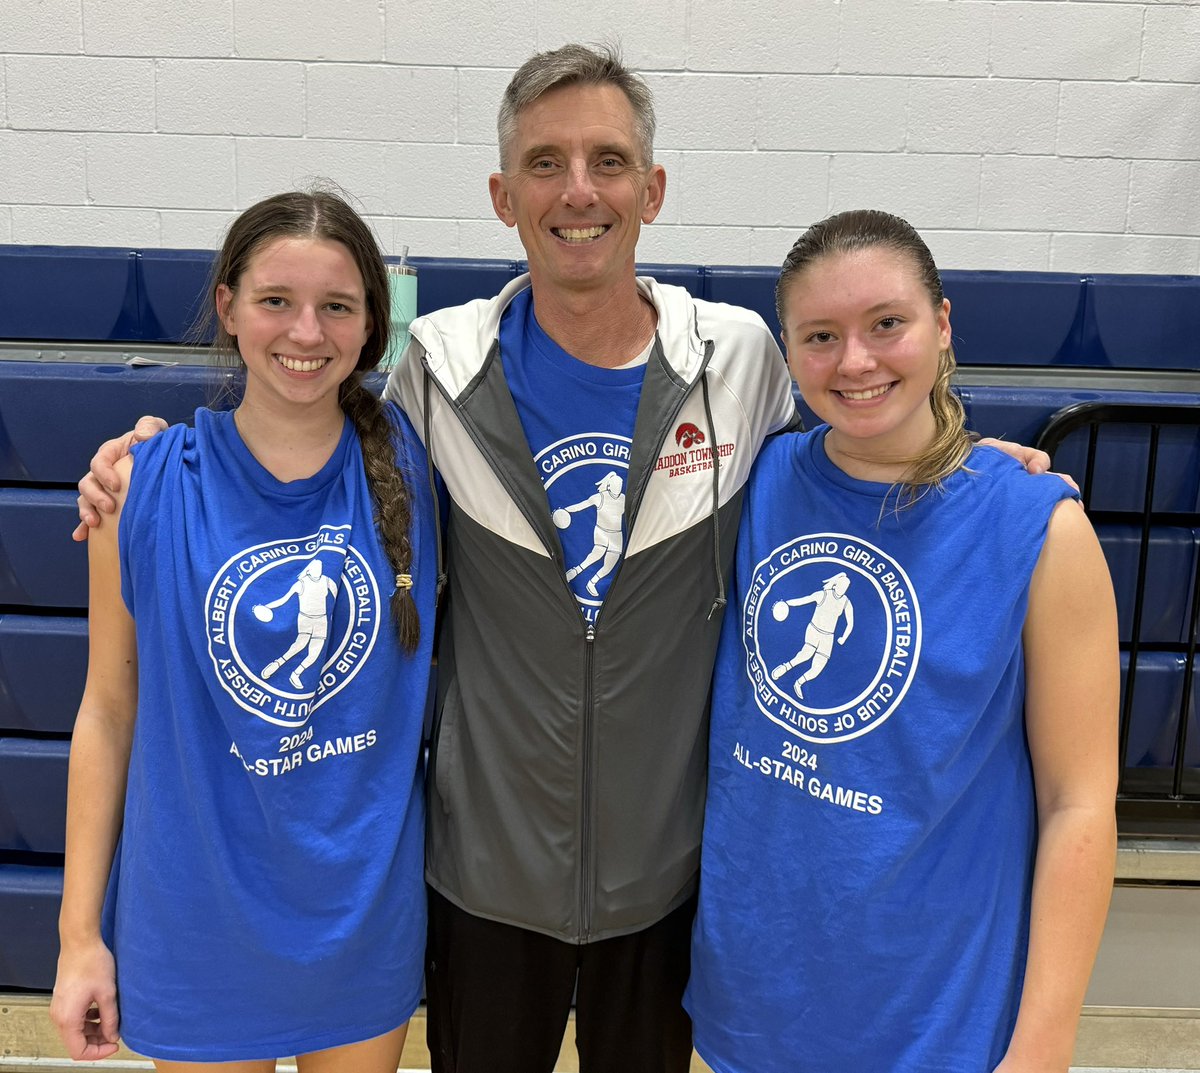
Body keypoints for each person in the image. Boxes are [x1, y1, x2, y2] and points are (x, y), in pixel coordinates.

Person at [73, 47, 1053, 1073]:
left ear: (652, 188)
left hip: (666, 882)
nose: (578, 191)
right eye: (545, 162)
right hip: (484, 881)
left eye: (607, 160)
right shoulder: (436, 369)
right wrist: (148, 453)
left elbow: (856, 435)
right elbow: (299, 426)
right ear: (503, 195)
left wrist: (970, 453)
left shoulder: (741, 359)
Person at [684, 209, 1119, 1073]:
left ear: (943, 324)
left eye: (888, 324)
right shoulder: (751, 481)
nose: (856, 360)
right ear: (788, 350)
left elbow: (1081, 801)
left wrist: (1044, 1042)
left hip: (940, 1021)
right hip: (750, 1008)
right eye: (820, 335)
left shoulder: (1040, 529)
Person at [51, 191, 438, 1071]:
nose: (306, 331)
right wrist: (80, 936)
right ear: (227, 306)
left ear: (372, 322)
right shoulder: (140, 486)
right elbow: (107, 713)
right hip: (196, 925)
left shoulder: (417, 466)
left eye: (336, 306)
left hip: (359, 923)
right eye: (275, 301)